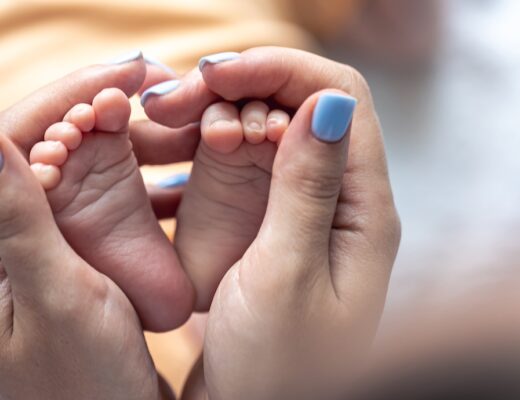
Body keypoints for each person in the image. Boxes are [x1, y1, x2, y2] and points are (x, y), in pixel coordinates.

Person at [0, 47, 400, 399]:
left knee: (49, 191)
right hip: (229, 104)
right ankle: (231, 278)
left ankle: (103, 269)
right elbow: (405, 34)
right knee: (258, 131)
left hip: (44, 115)